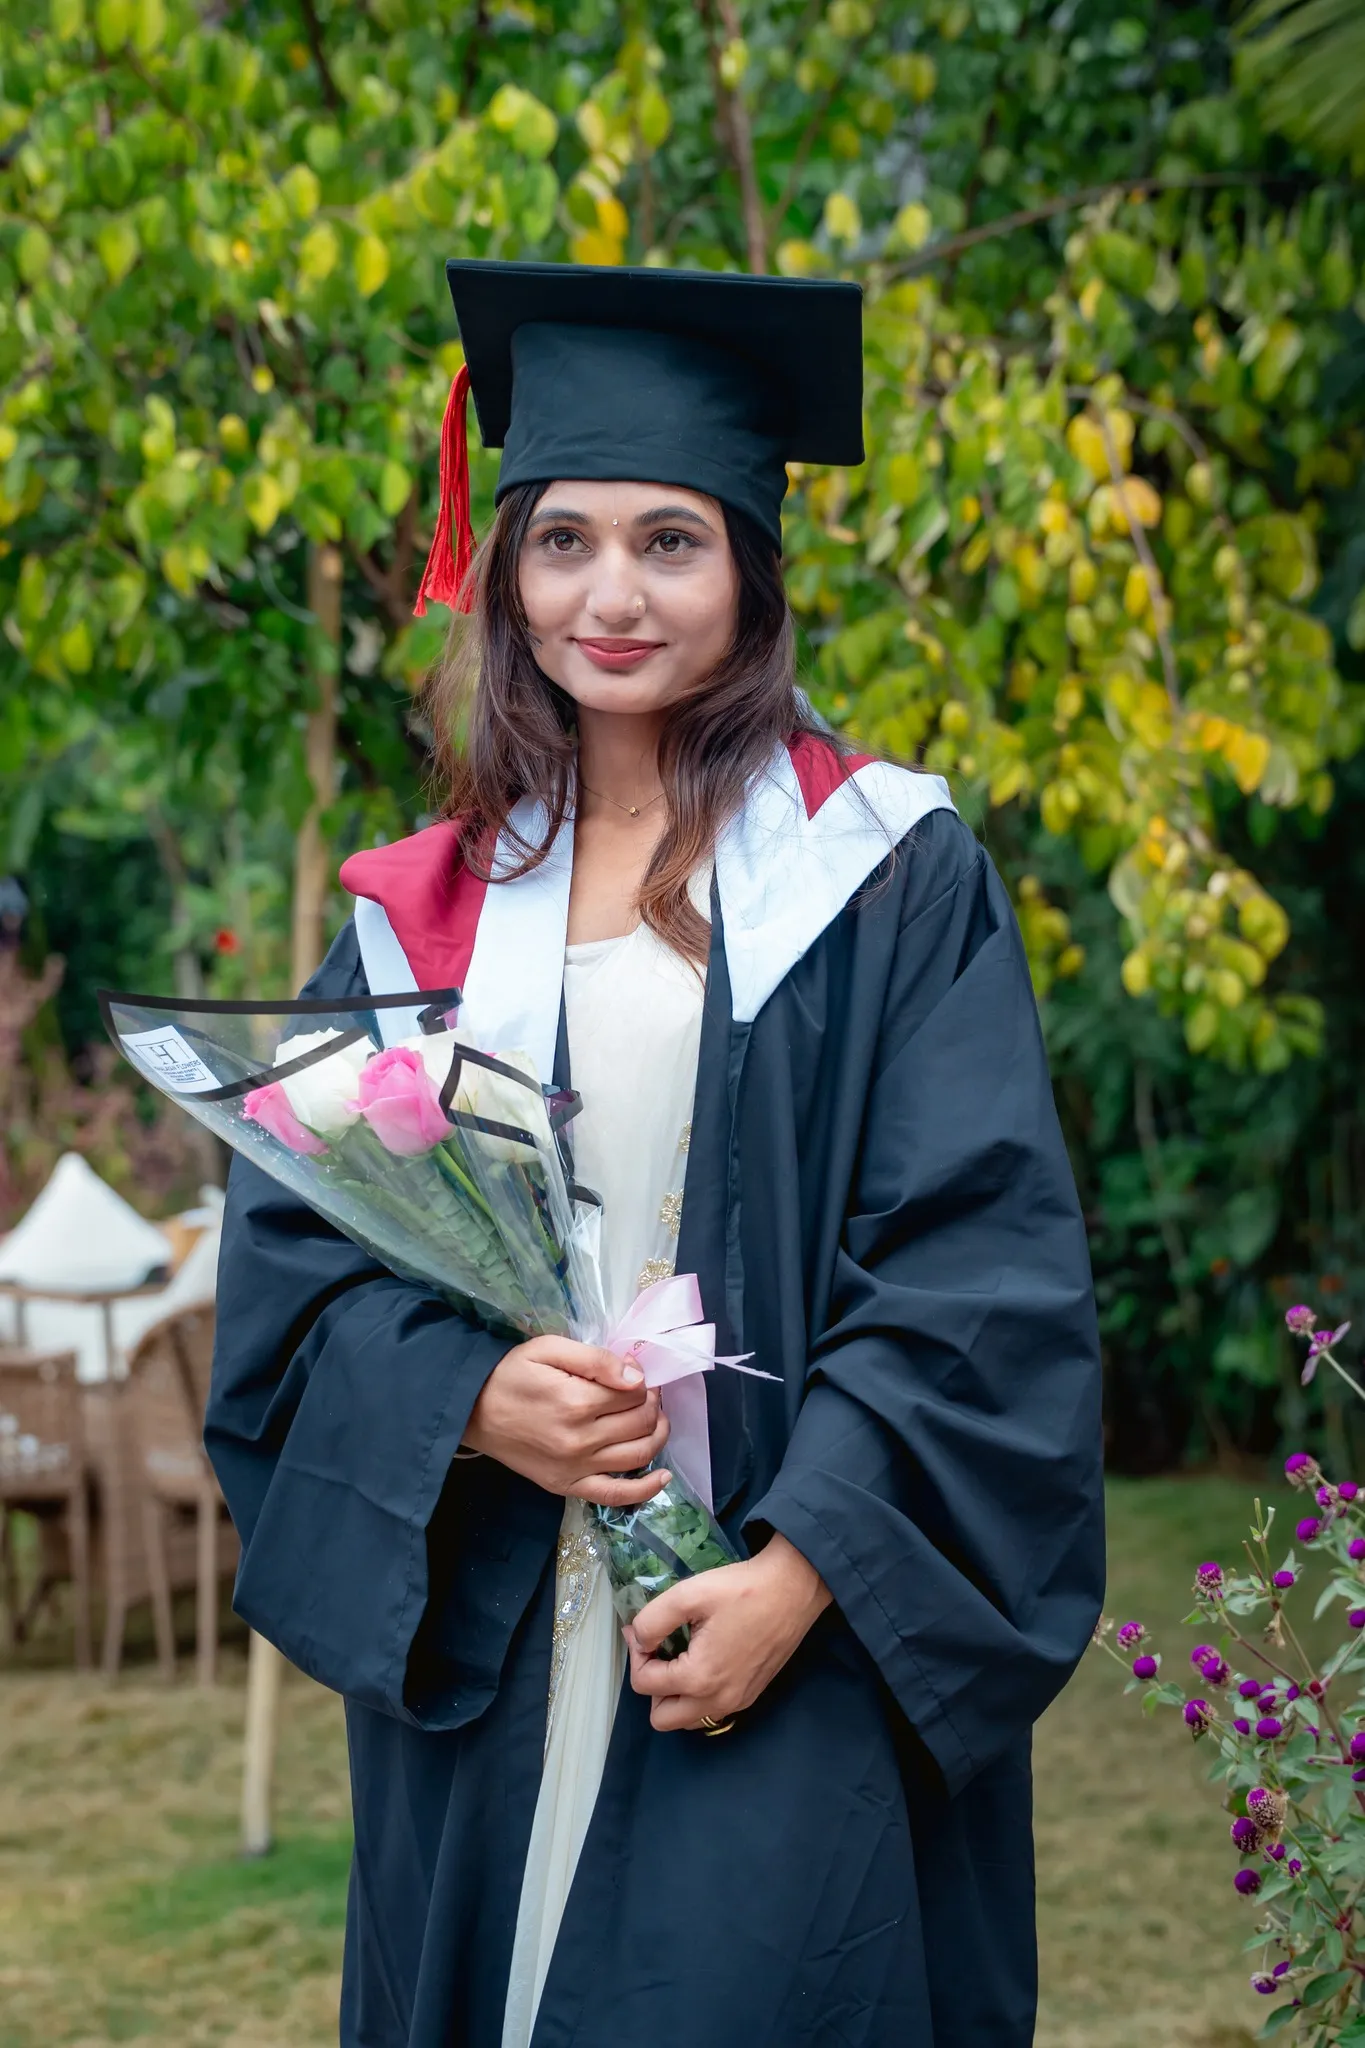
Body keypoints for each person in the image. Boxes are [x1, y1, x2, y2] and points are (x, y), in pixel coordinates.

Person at [206, 258, 1104, 2048]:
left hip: (781, 1634)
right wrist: (466, 1399)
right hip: (502, 1642)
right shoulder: (420, 915)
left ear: (753, 568)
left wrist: (803, 1574)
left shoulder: (885, 881)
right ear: (505, 564)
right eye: (564, 542)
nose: (611, 595)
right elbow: (292, 1280)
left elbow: (975, 1283)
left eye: (671, 542)